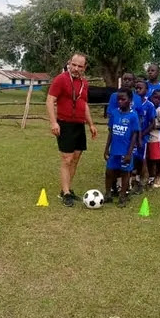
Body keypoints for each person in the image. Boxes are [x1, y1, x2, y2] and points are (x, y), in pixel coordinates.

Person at [46, 52, 98, 207]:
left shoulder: (84, 83)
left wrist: (91, 124)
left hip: (79, 124)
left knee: (75, 158)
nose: (76, 68)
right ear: (69, 63)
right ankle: (66, 193)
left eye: (79, 66)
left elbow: (84, 104)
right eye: (73, 65)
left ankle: (66, 189)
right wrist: (53, 122)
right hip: (65, 124)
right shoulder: (60, 79)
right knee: (66, 159)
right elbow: (50, 101)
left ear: (84, 67)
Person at [104, 88, 140, 207]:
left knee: (125, 173)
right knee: (109, 172)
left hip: (125, 151)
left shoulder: (133, 116)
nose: (120, 101)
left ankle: (122, 196)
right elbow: (111, 132)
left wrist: (129, 153)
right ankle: (108, 194)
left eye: (123, 99)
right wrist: (106, 148)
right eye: (118, 99)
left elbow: (134, 135)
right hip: (114, 150)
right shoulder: (114, 113)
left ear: (130, 100)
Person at [132, 79, 156, 194]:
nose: (137, 90)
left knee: (141, 159)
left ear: (146, 90)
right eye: (136, 88)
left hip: (143, 137)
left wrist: (142, 134)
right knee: (132, 158)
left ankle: (141, 182)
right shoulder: (131, 103)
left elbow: (152, 123)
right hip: (131, 136)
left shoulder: (149, 105)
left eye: (140, 88)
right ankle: (133, 180)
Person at [148, 90, 160, 188]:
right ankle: (149, 176)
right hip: (146, 136)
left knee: (156, 158)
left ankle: (157, 176)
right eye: (155, 98)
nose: (156, 100)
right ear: (151, 97)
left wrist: (155, 126)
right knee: (148, 158)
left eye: (159, 99)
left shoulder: (159, 111)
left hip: (155, 138)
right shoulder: (149, 107)